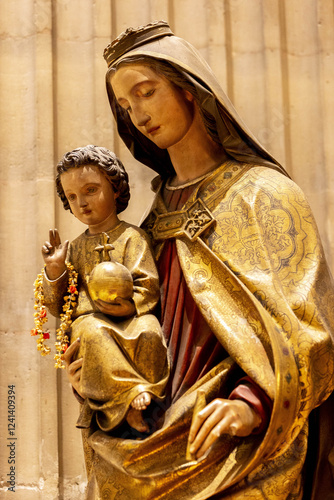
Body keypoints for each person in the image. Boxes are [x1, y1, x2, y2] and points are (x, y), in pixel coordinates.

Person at [65, 22, 334, 499]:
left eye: (146, 92)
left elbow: (309, 329)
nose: (138, 115)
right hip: (151, 434)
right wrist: (100, 365)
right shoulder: (148, 223)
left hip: (236, 442)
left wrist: (251, 404)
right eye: (126, 106)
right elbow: (141, 326)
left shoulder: (263, 193)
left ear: (190, 90)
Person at [42, 144, 169, 434]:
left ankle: (147, 402)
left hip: (131, 320)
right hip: (91, 324)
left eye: (90, 190)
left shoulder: (132, 237)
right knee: (92, 330)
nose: (81, 203)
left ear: (115, 189)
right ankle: (127, 399)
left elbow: (148, 284)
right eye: (72, 197)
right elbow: (56, 306)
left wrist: (131, 306)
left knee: (150, 330)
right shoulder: (73, 248)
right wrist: (55, 270)